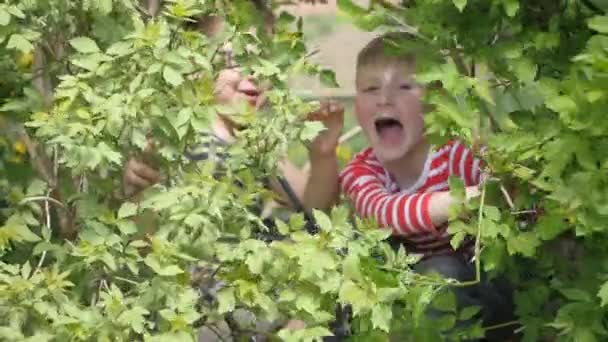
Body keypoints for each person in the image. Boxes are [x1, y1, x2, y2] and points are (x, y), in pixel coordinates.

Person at [121, 14, 344, 342]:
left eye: (263, 60)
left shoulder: (249, 139)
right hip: (217, 312)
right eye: (235, 60)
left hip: (262, 301)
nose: (253, 74)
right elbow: (152, 242)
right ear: (195, 66)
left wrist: (322, 155)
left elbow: (316, 209)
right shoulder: (190, 139)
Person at [304, 32, 517, 341]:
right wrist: (466, 199)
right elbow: (383, 214)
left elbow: (511, 197)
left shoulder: (459, 155)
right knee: (346, 279)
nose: (384, 99)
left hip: (481, 292)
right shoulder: (361, 171)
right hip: (406, 295)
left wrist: (501, 186)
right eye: (369, 89)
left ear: (436, 101)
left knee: (439, 274)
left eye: (404, 87)